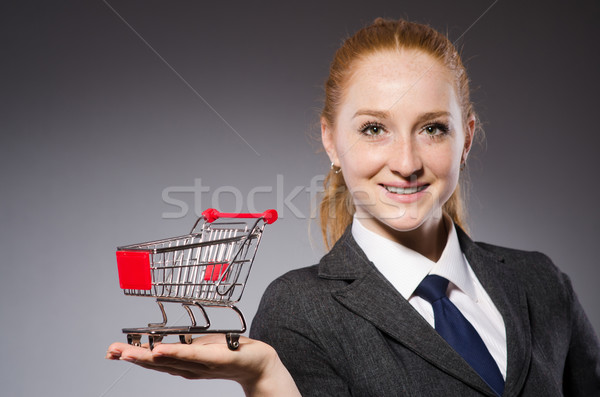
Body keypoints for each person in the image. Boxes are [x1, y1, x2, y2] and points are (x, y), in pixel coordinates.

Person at [107, 18, 600, 396]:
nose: (406, 162)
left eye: (432, 128)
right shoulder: (300, 310)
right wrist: (268, 382)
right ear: (332, 141)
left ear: (466, 138)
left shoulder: (541, 284)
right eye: (373, 129)